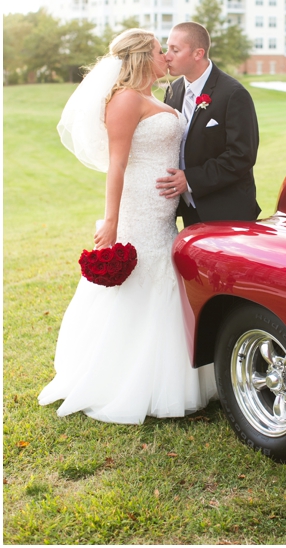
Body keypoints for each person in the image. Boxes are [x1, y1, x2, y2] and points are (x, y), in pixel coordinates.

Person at [39, 29, 217, 423]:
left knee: (163, 279)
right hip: (138, 208)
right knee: (139, 280)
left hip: (162, 210)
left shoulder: (156, 97)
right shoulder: (124, 100)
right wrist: (112, 222)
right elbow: (116, 164)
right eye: (159, 51)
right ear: (141, 58)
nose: (165, 57)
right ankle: (118, 379)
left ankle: (166, 372)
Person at [156, 22, 260, 226]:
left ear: (198, 53)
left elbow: (242, 156)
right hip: (189, 211)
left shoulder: (233, 94)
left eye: (175, 50)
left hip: (227, 210)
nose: (167, 56)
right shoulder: (173, 90)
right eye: (167, 48)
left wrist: (191, 179)